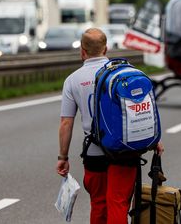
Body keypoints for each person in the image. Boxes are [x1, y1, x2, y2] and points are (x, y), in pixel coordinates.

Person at [56, 28, 163, 224]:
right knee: (118, 203)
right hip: (124, 150)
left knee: (99, 203)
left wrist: (63, 156)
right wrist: (153, 139)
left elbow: (66, 122)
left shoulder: (73, 80)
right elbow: (140, 110)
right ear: (106, 49)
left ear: (82, 50)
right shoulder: (124, 73)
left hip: (94, 151)